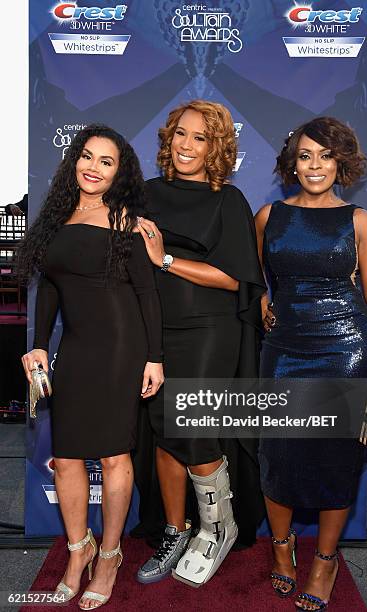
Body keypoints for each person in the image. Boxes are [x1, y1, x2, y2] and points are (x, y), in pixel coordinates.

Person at [254, 117, 367, 610]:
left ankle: (324, 559)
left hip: (347, 349)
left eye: (324, 156)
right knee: (279, 452)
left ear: (340, 162)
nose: (314, 165)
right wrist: (260, 302)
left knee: (336, 457)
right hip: (285, 349)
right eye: (304, 155)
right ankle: (281, 549)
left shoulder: (359, 221)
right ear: (291, 163)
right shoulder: (268, 216)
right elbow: (259, 279)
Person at [19, 124, 164, 610]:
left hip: (122, 347)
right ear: (73, 162)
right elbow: (52, 286)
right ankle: (77, 551)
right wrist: (39, 344)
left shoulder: (126, 219)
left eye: (106, 161)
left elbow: (147, 292)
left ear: (119, 172)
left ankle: (109, 554)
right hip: (76, 349)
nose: (93, 167)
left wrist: (155, 357)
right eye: (87, 157)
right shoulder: (57, 217)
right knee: (66, 457)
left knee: (113, 457)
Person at [133, 100, 266, 587]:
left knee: (194, 426)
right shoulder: (145, 194)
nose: (186, 146)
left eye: (200, 138)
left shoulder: (226, 201)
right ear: (169, 139)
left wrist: (164, 258)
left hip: (209, 330)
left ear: (217, 148)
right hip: (155, 330)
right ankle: (174, 529)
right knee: (164, 428)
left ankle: (217, 528)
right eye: (180, 135)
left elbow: (235, 279)